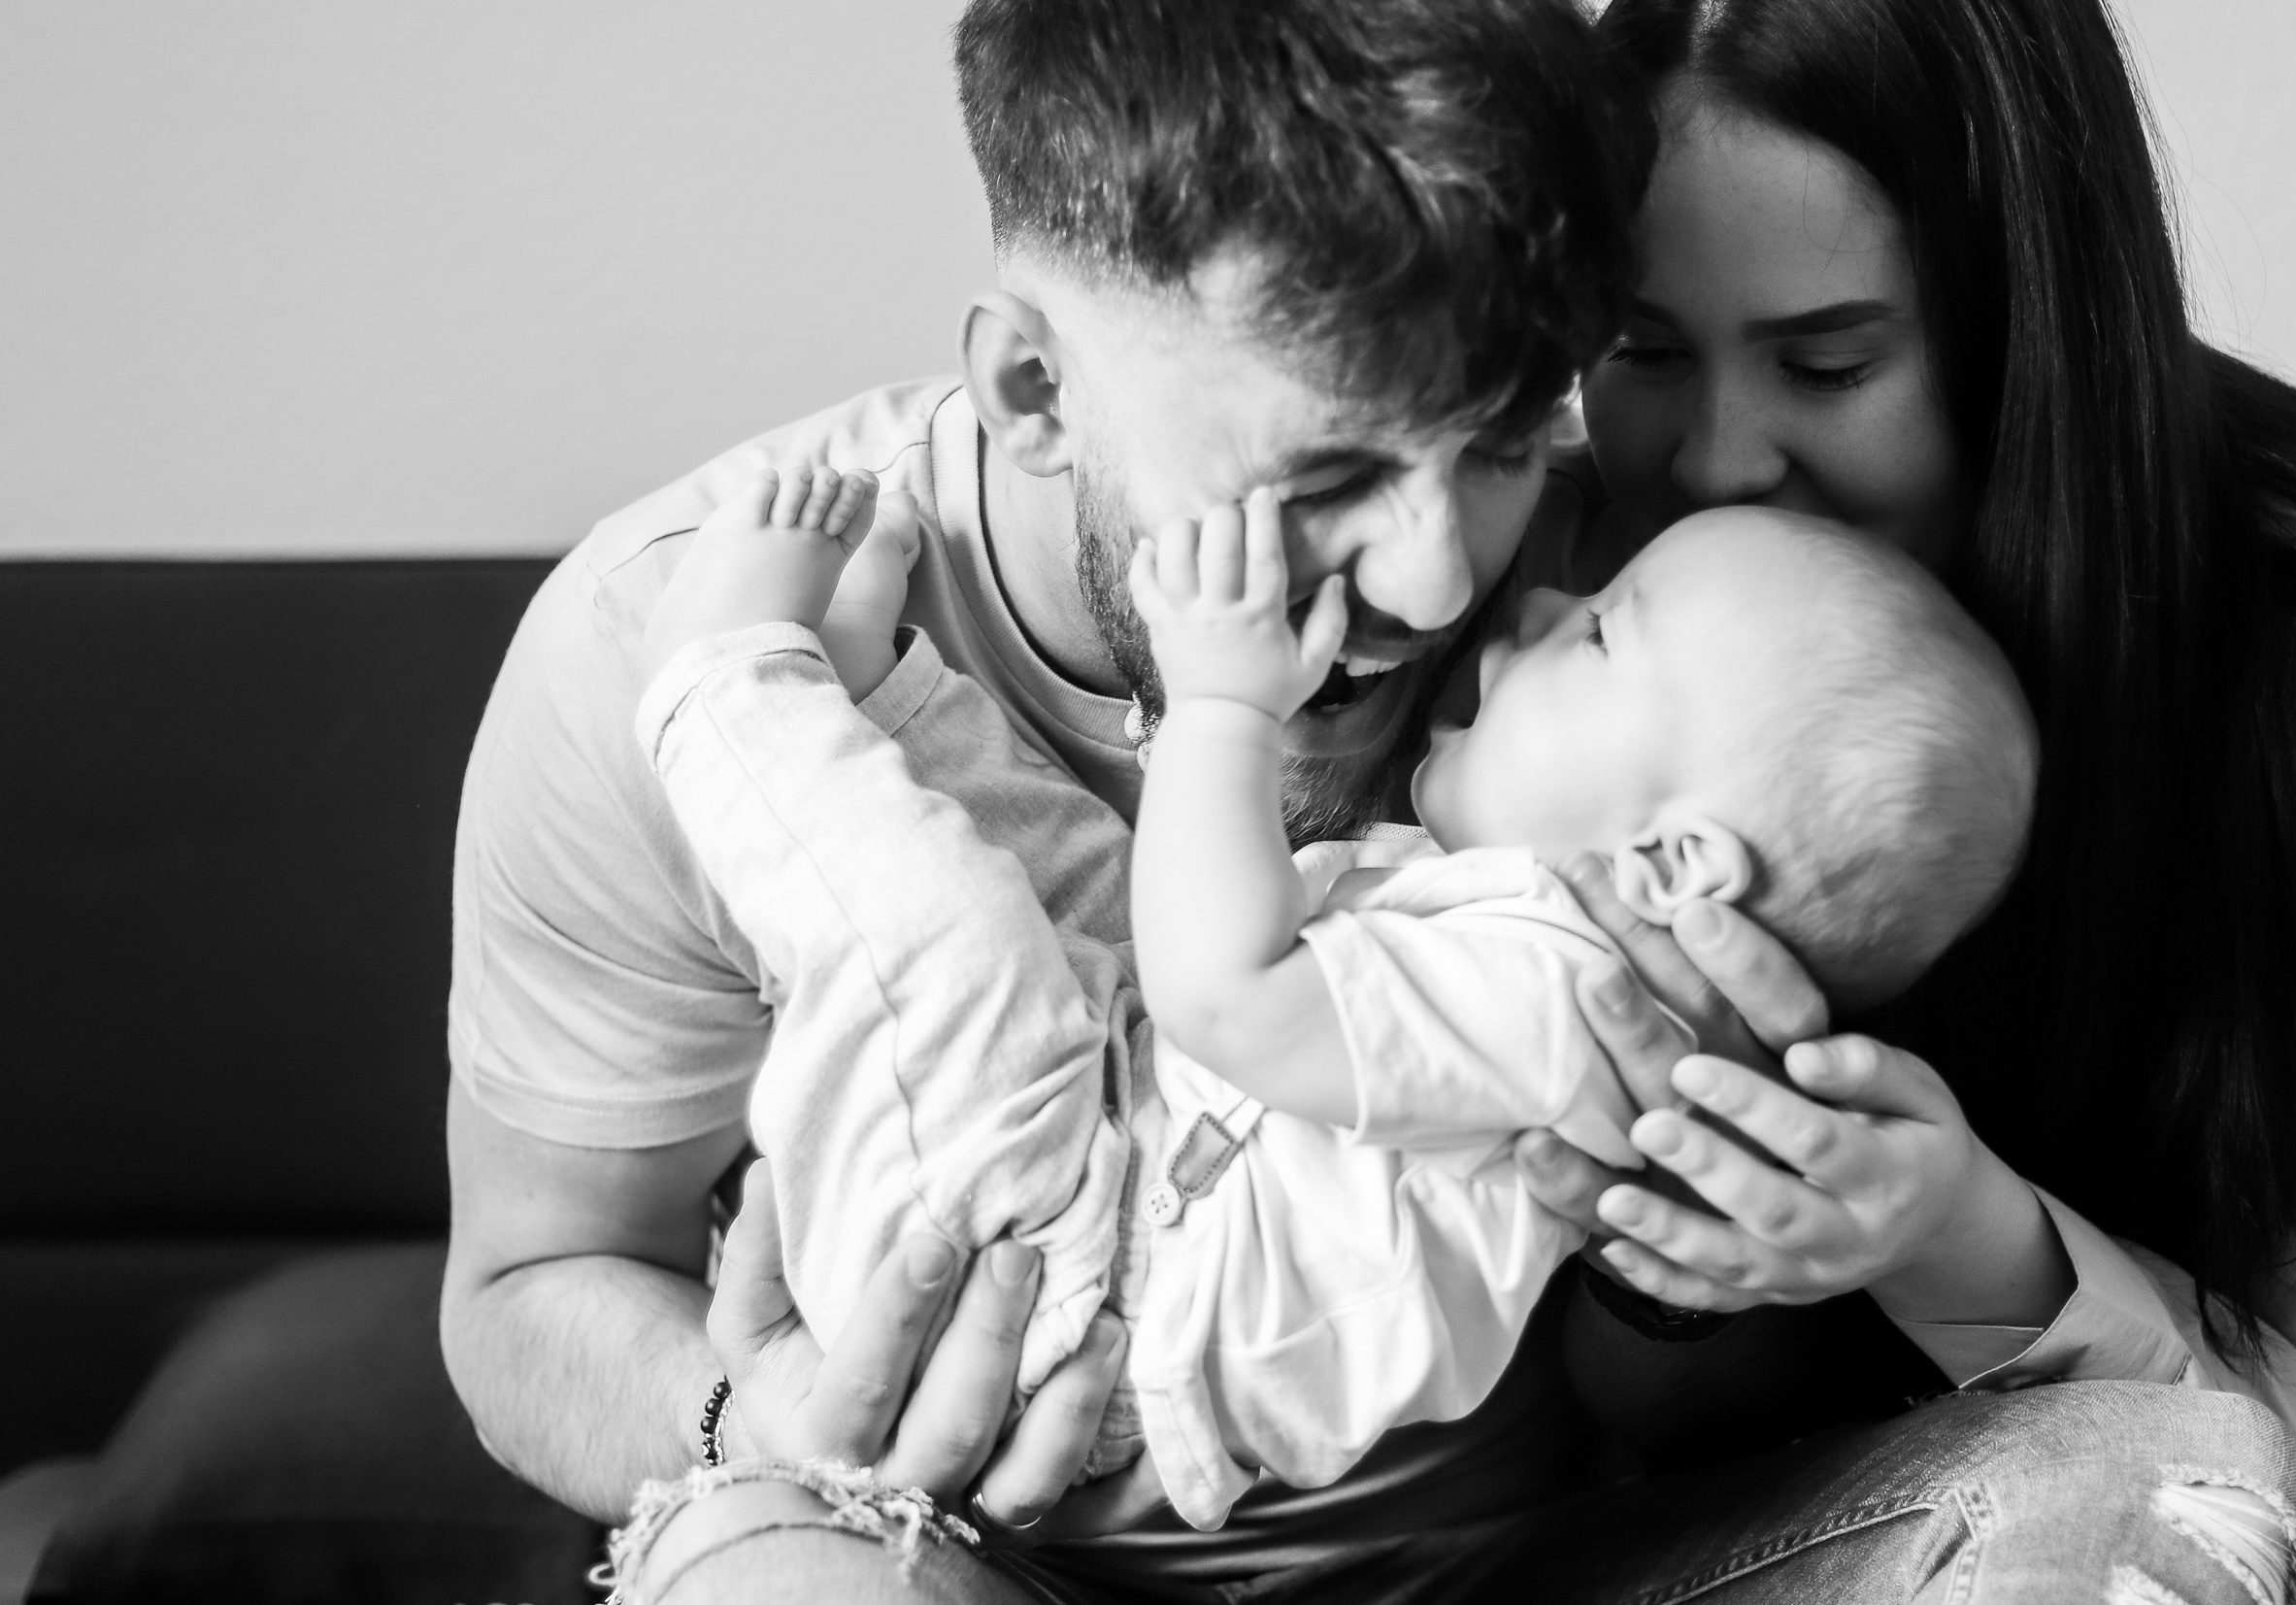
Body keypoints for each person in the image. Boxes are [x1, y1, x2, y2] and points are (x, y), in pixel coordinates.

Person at [440, 0, 1653, 1597]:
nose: (1435, 584)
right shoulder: (677, 654)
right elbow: (531, 1282)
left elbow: (1744, 1383)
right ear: (1031, 387)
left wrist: (1694, 1254)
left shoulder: (1664, 625)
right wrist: (749, 1416)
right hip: (943, 1551)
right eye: (1329, 480)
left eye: (1501, 442)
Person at [619, 451, 2036, 1533]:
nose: (1535, 598)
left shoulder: (1561, 986)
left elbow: (1226, 994)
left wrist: (1222, 708)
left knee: (951, 946)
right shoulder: (1523, 928)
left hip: (1088, 1283)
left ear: (1670, 861)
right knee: (1078, 901)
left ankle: (725, 691)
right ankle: (891, 692)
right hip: (1122, 1180)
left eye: (1600, 633)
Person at [1490, 0, 2296, 1597]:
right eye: (1637, 350)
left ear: (2019, 334)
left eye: (1828, 363)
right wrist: (1693, 1260)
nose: (1713, 465)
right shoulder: (1549, 589)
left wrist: (1958, 1240)